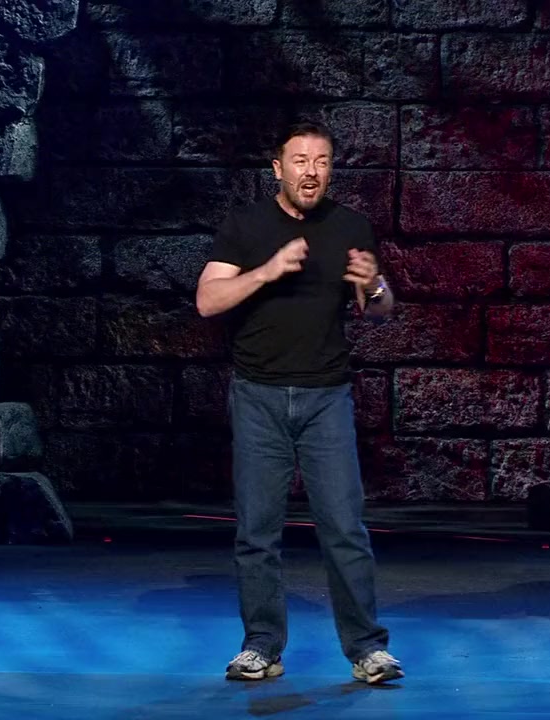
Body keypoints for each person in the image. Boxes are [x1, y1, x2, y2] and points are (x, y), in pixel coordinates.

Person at [194, 120, 403, 685]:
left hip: (326, 396)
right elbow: (208, 300)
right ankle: (261, 645)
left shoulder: (350, 226)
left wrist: (375, 283)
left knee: (344, 528)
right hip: (258, 396)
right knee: (257, 532)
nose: (311, 172)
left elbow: (377, 309)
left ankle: (367, 649)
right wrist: (267, 271)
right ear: (278, 168)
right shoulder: (246, 225)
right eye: (300, 161)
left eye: (322, 162)